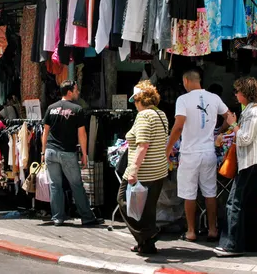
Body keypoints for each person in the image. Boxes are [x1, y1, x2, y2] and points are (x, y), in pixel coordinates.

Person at [166, 69, 231, 242]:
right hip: (208, 152)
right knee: (210, 192)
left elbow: (178, 125)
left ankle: (191, 231)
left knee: (189, 194)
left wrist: (168, 148)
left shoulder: (183, 100)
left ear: (186, 81)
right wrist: (220, 130)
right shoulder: (214, 98)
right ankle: (212, 230)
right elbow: (230, 116)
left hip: (189, 154)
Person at [214, 77, 257, 257]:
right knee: (250, 203)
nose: (236, 95)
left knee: (234, 202)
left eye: (238, 92)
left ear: (245, 93)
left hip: (251, 162)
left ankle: (231, 244)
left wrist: (233, 124)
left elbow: (245, 138)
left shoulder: (254, 112)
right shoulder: (253, 111)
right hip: (254, 161)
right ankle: (254, 244)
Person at [41, 80, 104, 227]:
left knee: (55, 185)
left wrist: (43, 152)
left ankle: (57, 218)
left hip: (51, 151)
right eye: (76, 90)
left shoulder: (51, 108)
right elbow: (82, 135)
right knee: (76, 185)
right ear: (69, 92)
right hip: (67, 152)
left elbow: (45, 132)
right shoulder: (77, 109)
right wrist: (84, 154)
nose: (78, 92)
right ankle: (87, 217)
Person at [118, 81, 169, 254]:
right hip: (159, 170)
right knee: (147, 210)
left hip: (144, 171)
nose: (134, 104)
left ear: (140, 99)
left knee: (123, 201)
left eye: (135, 100)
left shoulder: (144, 116)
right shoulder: (161, 114)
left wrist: (133, 169)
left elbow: (143, 145)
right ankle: (146, 244)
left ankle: (149, 234)